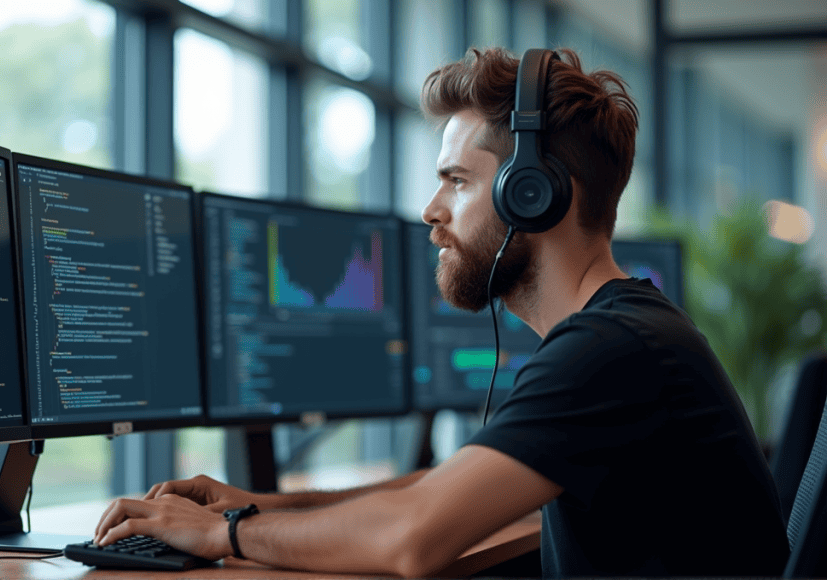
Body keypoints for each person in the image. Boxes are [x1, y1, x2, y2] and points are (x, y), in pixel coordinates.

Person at [92, 47, 790, 578]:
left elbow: (413, 536)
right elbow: (438, 487)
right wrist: (252, 505)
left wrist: (225, 536)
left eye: (457, 181)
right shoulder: (625, 328)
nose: (431, 211)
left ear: (536, 195)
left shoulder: (611, 350)